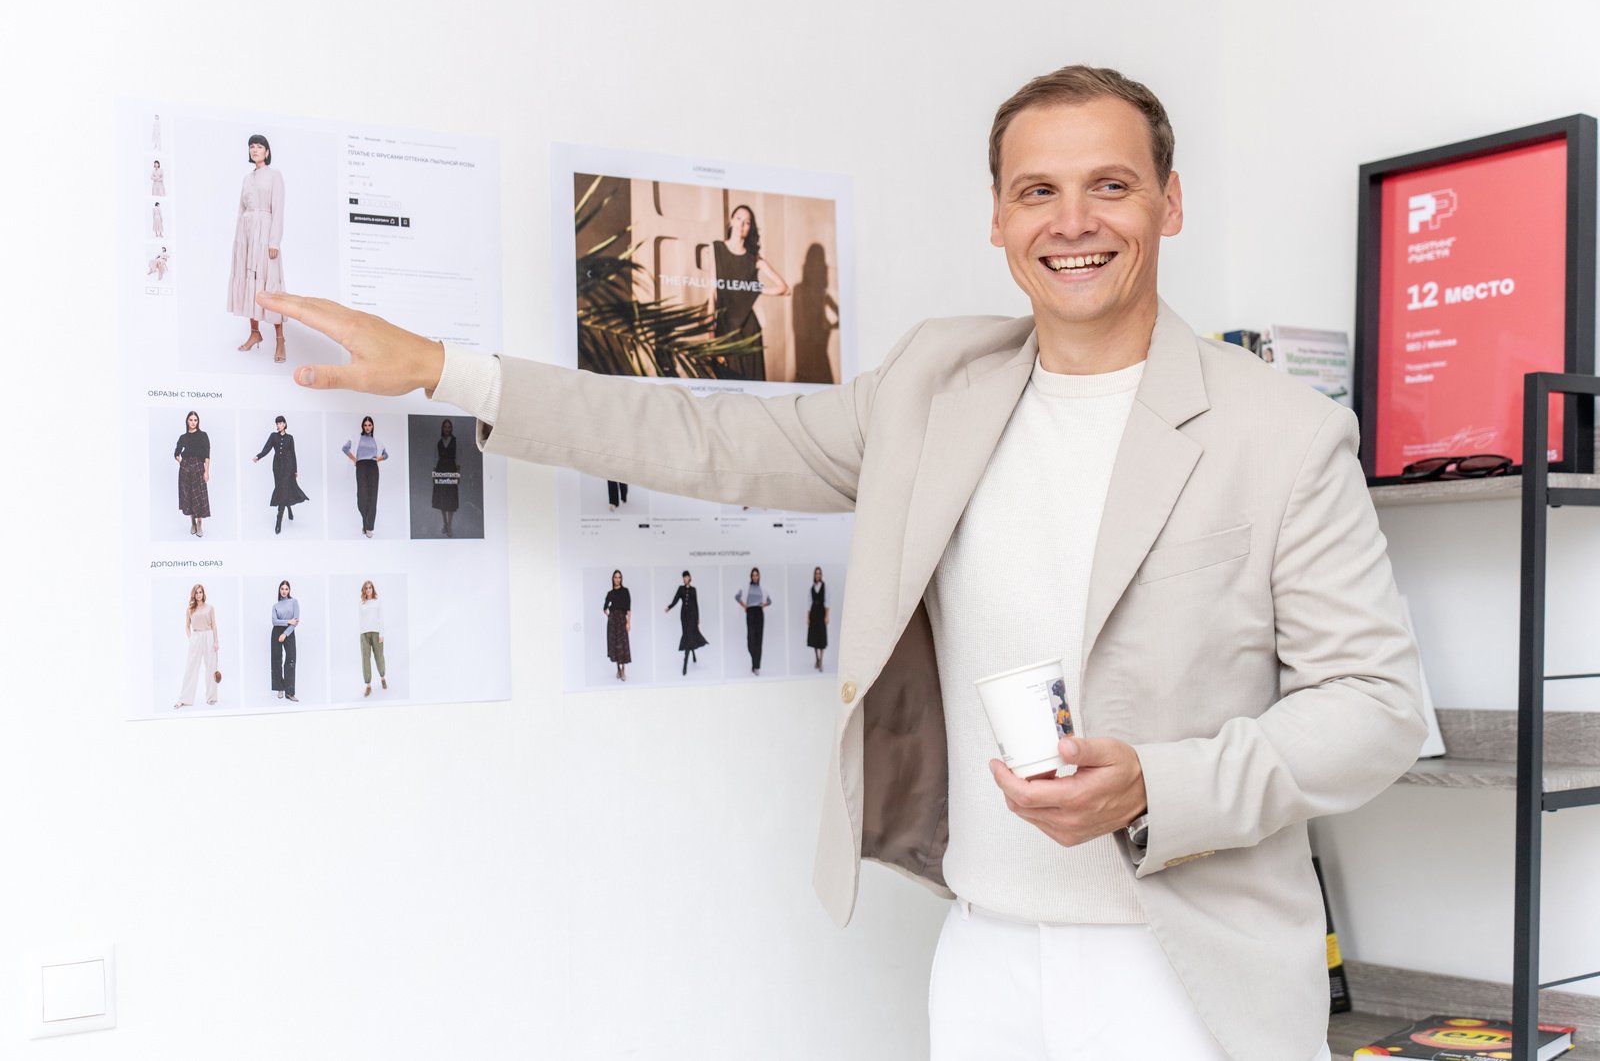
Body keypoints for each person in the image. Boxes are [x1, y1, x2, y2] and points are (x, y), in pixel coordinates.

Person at [263, 65, 1424, 1061]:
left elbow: (1375, 705)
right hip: (984, 953)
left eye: (1109, 185)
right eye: (1038, 190)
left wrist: (1158, 785)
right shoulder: (933, 385)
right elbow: (710, 439)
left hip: (1184, 966)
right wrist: (449, 370)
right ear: (997, 217)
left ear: (1168, 203)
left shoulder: (1281, 431)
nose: (1073, 221)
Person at [709, 203, 790, 381]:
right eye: (739, 219)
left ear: (749, 228)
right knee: (726, 384)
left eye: (747, 222)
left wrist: (756, 288)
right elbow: (712, 294)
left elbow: (784, 288)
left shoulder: (753, 259)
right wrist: (711, 337)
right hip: (725, 329)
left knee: (751, 384)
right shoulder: (716, 249)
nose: (741, 224)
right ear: (731, 221)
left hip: (749, 331)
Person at [228, 133, 288, 362]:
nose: (255, 150)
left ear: (267, 151)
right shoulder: (247, 178)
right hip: (246, 235)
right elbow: (241, 210)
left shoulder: (274, 175)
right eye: (252, 146)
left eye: (259, 147)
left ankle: (280, 339)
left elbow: (278, 209)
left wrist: (274, 241)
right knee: (249, 283)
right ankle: (255, 333)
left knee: (269, 284)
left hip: (265, 234)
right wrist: (238, 242)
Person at [252, 415, 309, 535]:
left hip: (288, 466)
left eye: (281, 423)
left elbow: (293, 454)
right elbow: (267, 448)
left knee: (284, 488)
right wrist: (258, 456)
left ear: (285, 424)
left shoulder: (290, 438)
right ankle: (289, 508)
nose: (278, 425)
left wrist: (295, 470)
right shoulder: (273, 436)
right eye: (277, 423)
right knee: (280, 489)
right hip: (277, 467)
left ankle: (279, 520)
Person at [175, 583, 220, 709]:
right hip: (196, 636)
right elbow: (187, 626)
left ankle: (211, 697)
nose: (199, 594)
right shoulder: (190, 609)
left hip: (208, 636)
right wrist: (191, 639)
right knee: (191, 667)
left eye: (200, 592)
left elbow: (214, 625)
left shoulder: (210, 608)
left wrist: (216, 641)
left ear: (203, 593)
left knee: (211, 667)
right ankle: (184, 699)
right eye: (196, 592)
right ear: (193, 594)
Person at [342, 415, 387, 537]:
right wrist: (354, 459)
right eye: (365, 425)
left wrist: (378, 459)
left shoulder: (376, 440)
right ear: (362, 426)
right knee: (362, 496)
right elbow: (345, 448)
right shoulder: (356, 438)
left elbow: (386, 454)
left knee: (372, 496)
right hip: (361, 466)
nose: (367, 427)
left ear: (372, 426)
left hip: (373, 467)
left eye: (369, 425)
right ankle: (365, 523)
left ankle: (369, 527)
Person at [664, 569, 709, 676]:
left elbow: (696, 604)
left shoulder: (693, 590)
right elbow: (675, 599)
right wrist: (669, 607)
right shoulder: (680, 589)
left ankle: (685, 663)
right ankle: (692, 652)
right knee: (687, 635)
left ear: (690, 578)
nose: (685, 579)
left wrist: (698, 618)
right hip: (684, 616)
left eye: (686, 577)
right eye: (683, 577)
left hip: (693, 616)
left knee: (690, 635)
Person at [173, 410, 211, 538]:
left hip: (199, 467)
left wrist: (207, 471)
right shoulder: (183, 437)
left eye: (195, 420)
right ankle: (192, 523)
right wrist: (181, 462)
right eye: (191, 420)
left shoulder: (203, 435)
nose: (193, 422)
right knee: (188, 495)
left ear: (198, 421)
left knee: (199, 496)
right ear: (187, 421)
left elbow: (207, 454)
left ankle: (199, 523)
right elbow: (176, 452)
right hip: (185, 468)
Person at [734, 567, 771, 675]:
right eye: (753, 575)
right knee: (751, 640)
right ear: (751, 576)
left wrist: (763, 604)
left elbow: (769, 601)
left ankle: (756, 667)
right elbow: (737, 597)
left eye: (756, 575)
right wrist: (744, 605)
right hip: (750, 612)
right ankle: (755, 662)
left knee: (759, 640)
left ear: (759, 576)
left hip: (759, 612)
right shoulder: (746, 587)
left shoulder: (762, 588)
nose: (755, 577)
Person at [269, 579, 299, 702]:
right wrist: (287, 621)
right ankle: (279, 688)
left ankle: (289, 692)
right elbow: (274, 621)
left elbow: (295, 621)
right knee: (276, 660)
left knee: (291, 660)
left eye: (286, 589)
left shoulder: (294, 602)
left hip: (289, 632)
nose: (284, 591)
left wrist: (285, 634)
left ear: (289, 590)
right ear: (279, 590)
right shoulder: (275, 606)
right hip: (276, 631)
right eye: (282, 589)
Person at [432, 418, 460, 537]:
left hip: (451, 470)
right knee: (442, 498)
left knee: (451, 499)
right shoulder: (439, 442)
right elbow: (435, 459)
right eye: (445, 427)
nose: (447, 429)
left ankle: (450, 526)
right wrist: (434, 474)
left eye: (449, 427)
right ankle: (445, 523)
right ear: (442, 428)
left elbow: (458, 459)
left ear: (451, 428)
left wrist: (457, 475)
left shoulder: (455, 441)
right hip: (441, 470)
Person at [359, 579, 386, 697]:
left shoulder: (377, 601)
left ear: (372, 589)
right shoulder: (361, 603)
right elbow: (361, 619)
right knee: (365, 659)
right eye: (366, 588)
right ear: (364, 590)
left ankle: (382, 677)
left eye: (370, 587)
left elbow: (381, 617)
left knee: (379, 657)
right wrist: (361, 633)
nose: (368, 590)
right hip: (364, 633)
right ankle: (368, 685)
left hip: (376, 632)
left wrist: (381, 634)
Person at [603, 570, 631, 681]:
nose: (617, 579)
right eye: (615, 577)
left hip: (622, 620)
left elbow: (628, 609)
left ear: (621, 578)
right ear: (613, 579)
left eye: (619, 577)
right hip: (612, 621)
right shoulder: (610, 593)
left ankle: (623, 669)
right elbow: (605, 607)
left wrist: (628, 622)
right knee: (615, 645)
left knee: (622, 645)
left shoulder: (625, 591)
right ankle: (618, 669)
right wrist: (609, 616)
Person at [805, 565, 829, 671]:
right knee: (814, 636)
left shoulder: (825, 587)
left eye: (819, 573)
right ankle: (817, 659)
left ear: (821, 575)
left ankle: (821, 661)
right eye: (816, 573)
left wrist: (827, 616)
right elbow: (808, 603)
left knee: (822, 636)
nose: (818, 575)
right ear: (814, 575)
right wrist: (808, 617)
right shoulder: (812, 588)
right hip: (814, 613)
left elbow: (827, 602)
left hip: (821, 612)